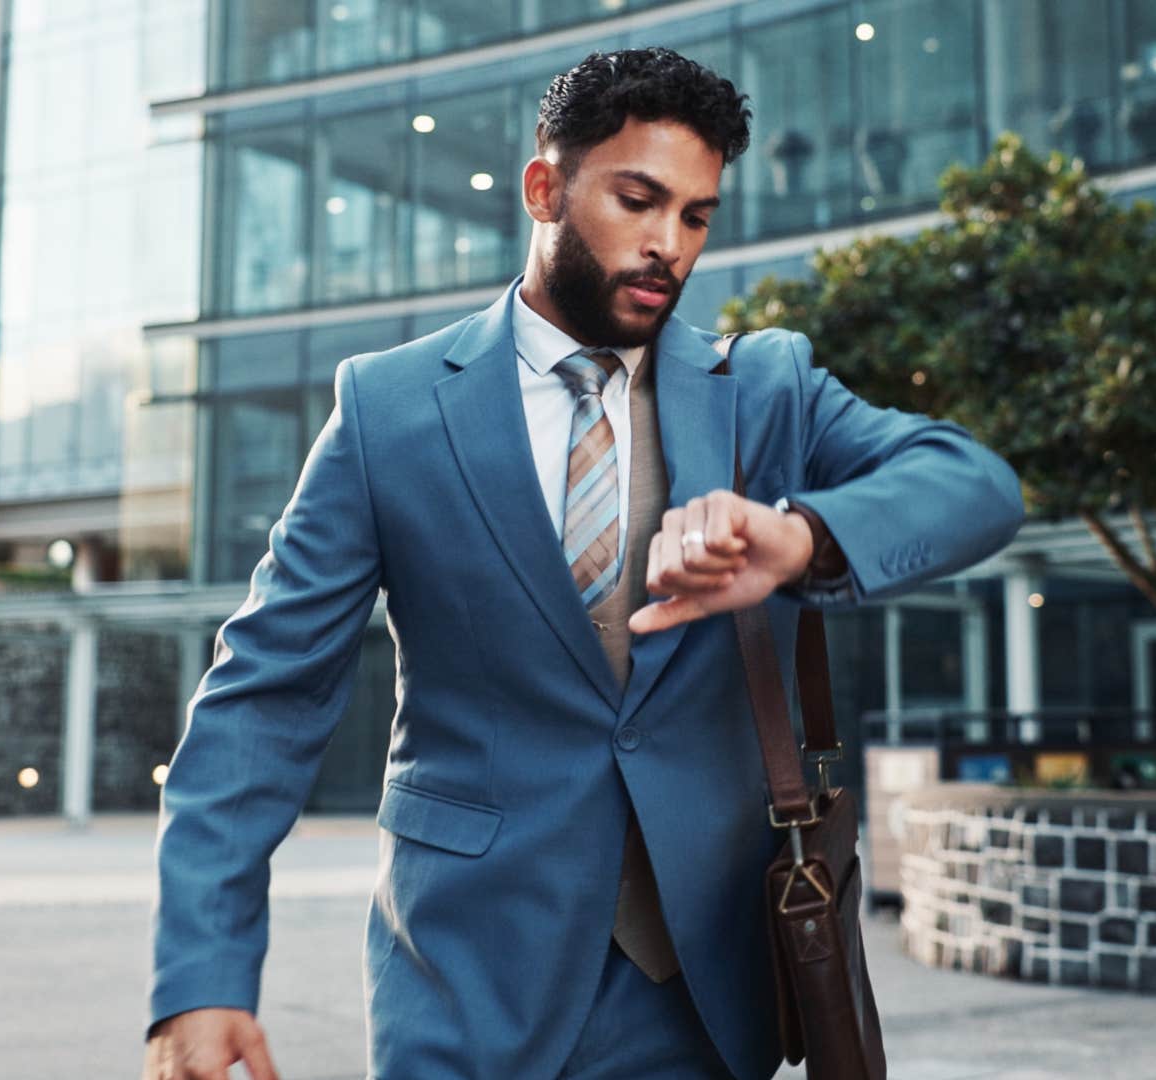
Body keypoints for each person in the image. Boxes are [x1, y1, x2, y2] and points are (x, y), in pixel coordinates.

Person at [142, 46, 1024, 1080]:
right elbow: (262, 700)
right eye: (639, 200)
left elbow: (974, 484)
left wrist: (801, 539)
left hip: (696, 989)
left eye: (696, 216)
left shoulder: (767, 386)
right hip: (465, 978)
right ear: (545, 187)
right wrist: (202, 975)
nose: (667, 246)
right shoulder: (390, 409)